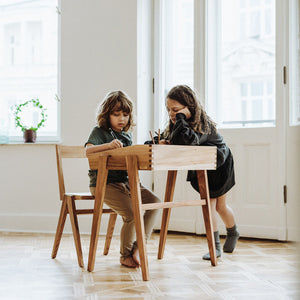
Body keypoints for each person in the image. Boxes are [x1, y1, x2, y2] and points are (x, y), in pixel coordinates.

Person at [148, 85, 239, 260]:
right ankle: (229, 236)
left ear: (190, 107)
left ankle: (220, 242)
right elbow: (176, 139)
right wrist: (164, 141)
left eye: (176, 110)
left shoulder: (204, 124)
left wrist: (181, 118)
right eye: (168, 110)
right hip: (203, 165)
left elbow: (187, 140)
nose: (172, 114)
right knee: (213, 205)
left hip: (220, 165)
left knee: (218, 206)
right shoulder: (178, 124)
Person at [85, 90, 160, 268]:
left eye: (125, 115)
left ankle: (138, 248)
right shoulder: (99, 131)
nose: (121, 119)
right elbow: (88, 151)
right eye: (116, 114)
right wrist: (108, 146)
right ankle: (125, 255)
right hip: (105, 184)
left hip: (127, 182)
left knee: (155, 203)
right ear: (107, 114)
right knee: (133, 214)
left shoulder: (127, 135)